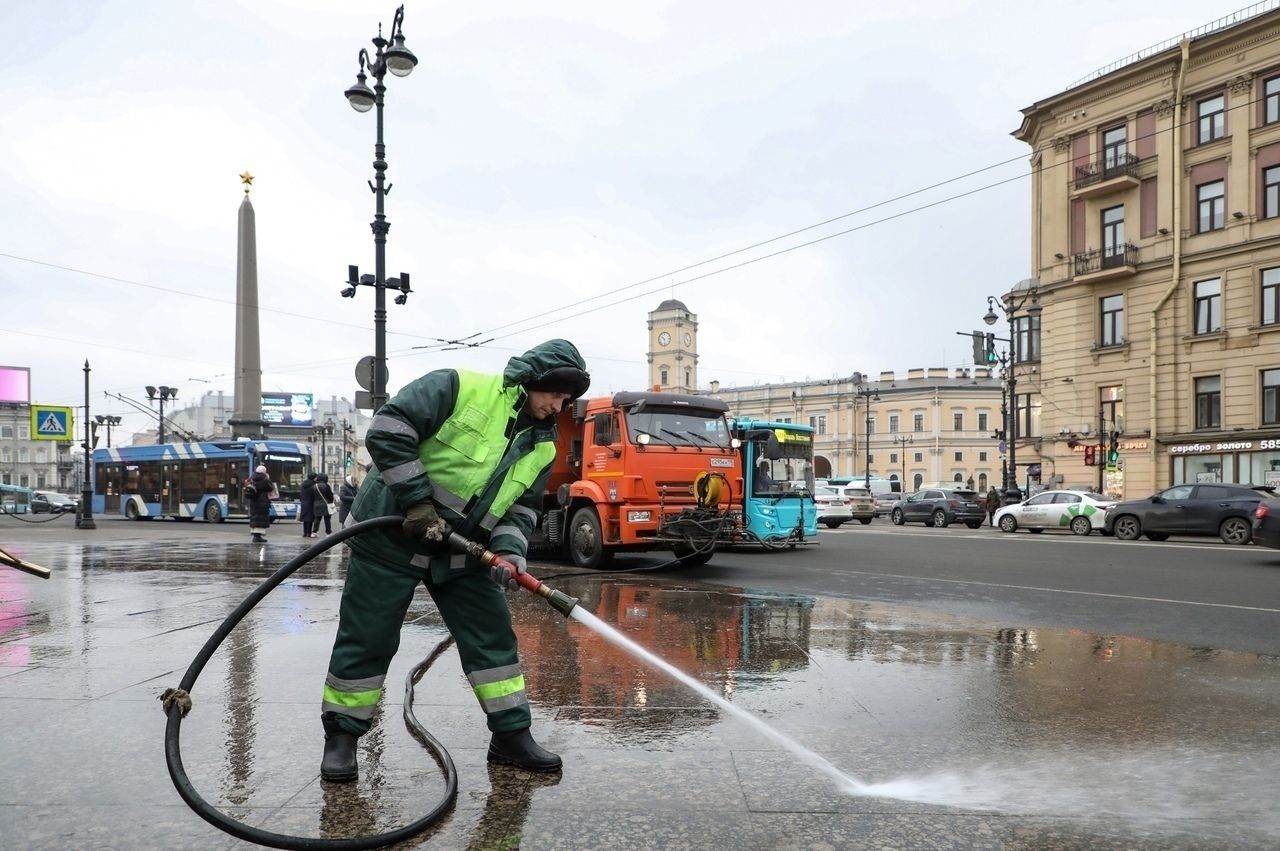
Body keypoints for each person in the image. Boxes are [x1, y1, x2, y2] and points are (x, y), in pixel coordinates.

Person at [319, 339, 590, 783]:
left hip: (464, 548)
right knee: (368, 635)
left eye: (566, 400)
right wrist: (417, 504)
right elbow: (389, 428)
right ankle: (342, 738)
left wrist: (508, 552)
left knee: (492, 638)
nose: (558, 407)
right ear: (532, 382)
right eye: (555, 396)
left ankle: (510, 735)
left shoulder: (544, 446)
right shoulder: (458, 388)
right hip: (389, 535)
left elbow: (521, 509)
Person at [245, 465, 276, 543]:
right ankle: (257, 536)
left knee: (255, 517)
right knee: (260, 518)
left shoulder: (252, 478)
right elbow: (270, 488)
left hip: (253, 501)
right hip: (262, 501)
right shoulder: (264, 479)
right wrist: (268, 479)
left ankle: (256, 535)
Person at [299, 472, 317, 538]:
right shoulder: (314, 484)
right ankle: (309, 533)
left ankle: (304, 533)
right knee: (310, 519)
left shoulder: (304, 484)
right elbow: (314, 494)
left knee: (305, 520)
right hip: (311, 503)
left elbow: (301, 494)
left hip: (304, 503)